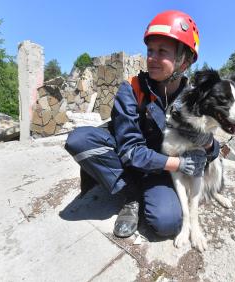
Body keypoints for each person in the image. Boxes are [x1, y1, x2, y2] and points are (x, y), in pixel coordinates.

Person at [65, 10, 220, 238]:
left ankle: (150, 191)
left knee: (167, 223)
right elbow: (129, 149)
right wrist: (178, 163)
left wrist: (207, 144)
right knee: (80, 140)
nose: (151, 58)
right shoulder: (132, 89)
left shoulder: (194, 98)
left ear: (184, 61)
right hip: (134, 161)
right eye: (150, 50)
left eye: (162, 52)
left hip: (161, 171)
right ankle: (131, 194)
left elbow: (213, 149)